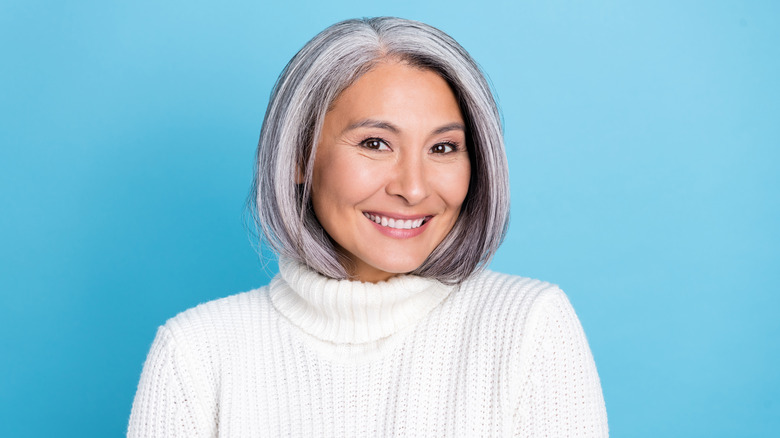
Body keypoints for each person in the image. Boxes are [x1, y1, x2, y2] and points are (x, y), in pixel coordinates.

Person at [128, 17, 608, 437]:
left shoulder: (528, 326)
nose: (413, 188)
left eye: (442, 148)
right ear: (299, 155)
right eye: (376, 143)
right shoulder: (195, 354)